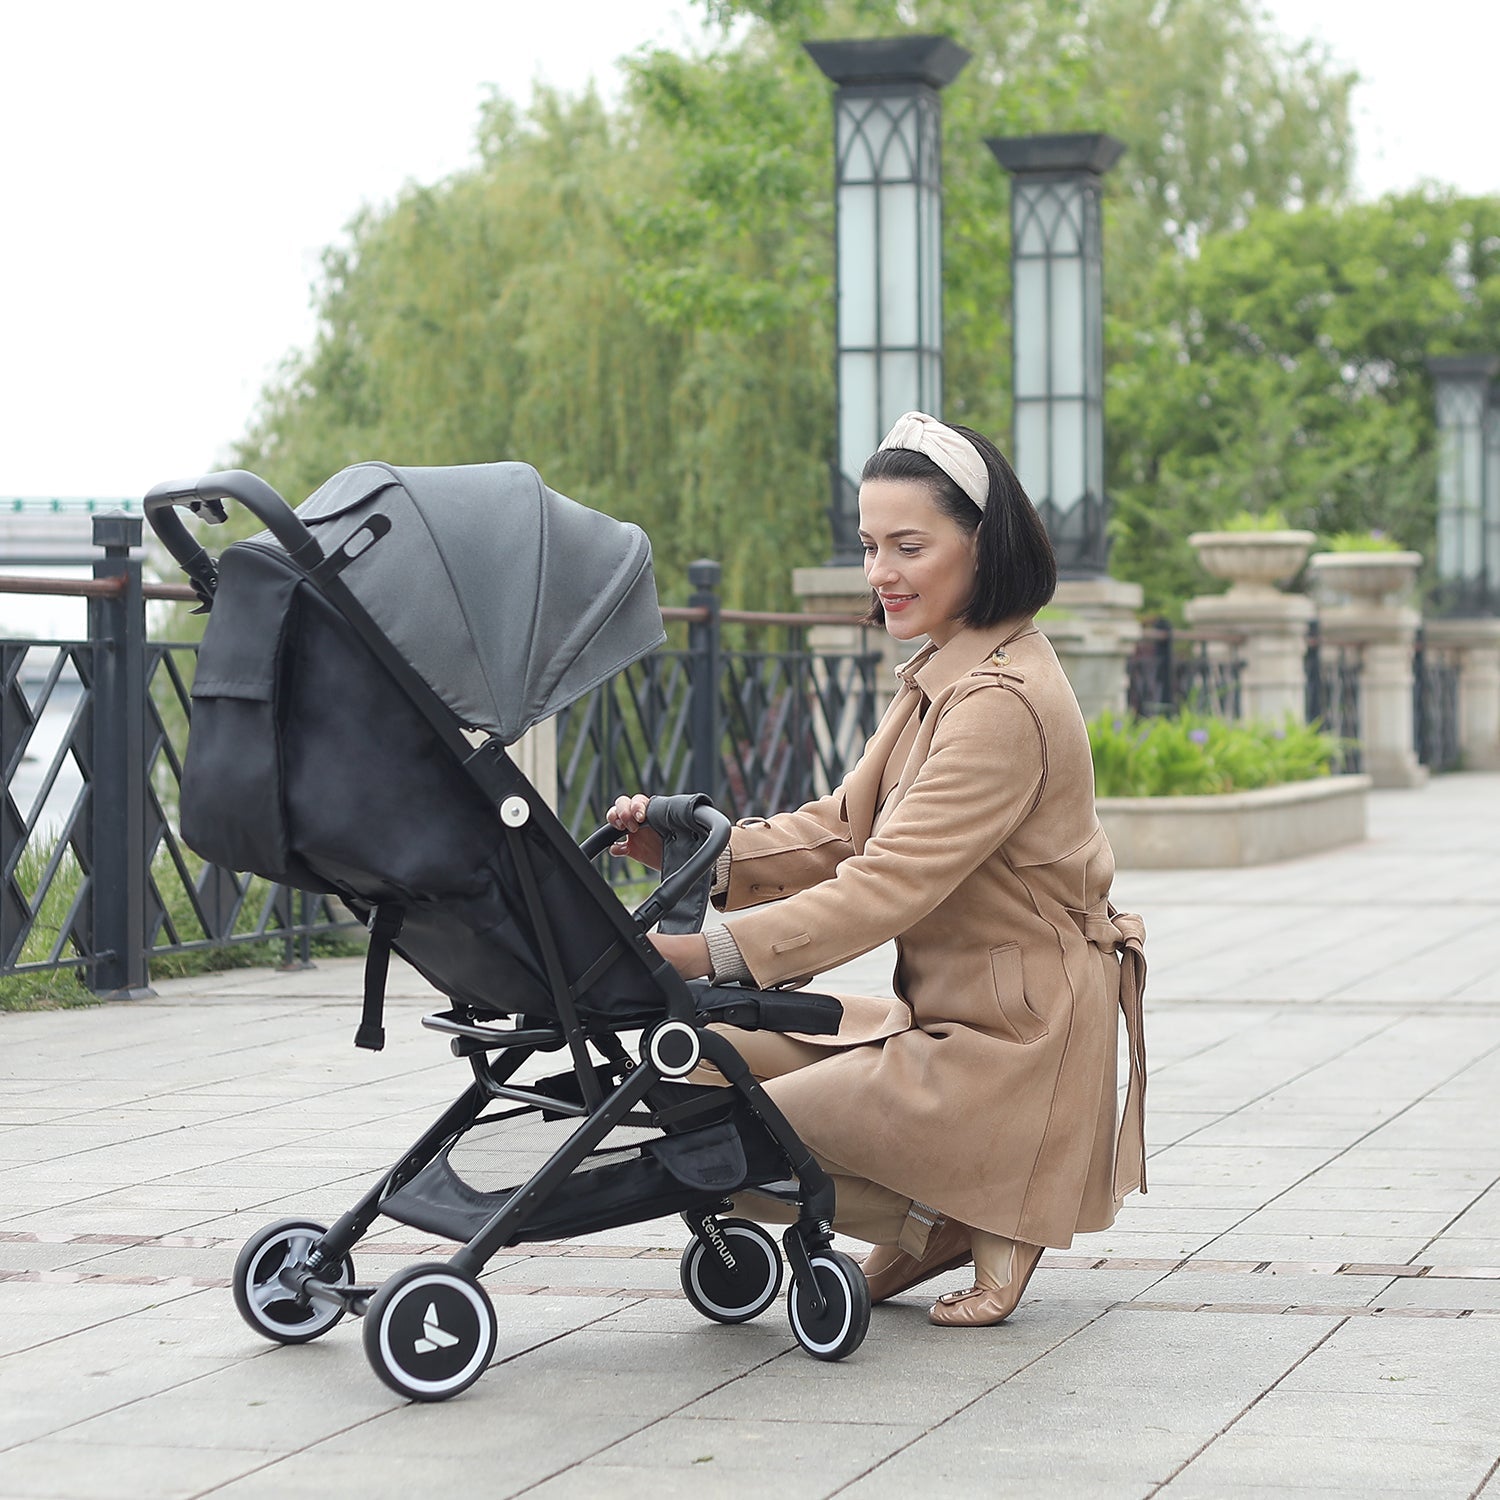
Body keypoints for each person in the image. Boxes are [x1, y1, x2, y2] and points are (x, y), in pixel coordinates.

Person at [608, 411, 1146, 1328]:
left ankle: (972, 1212)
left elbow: (883, 885)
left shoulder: (1001, 701)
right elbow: (841, 828)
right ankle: (937, 1215)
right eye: (868, 546)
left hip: (1013, 1045)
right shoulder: (945, 672)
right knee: (689, 1067)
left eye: (908, 546)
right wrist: (704, 855)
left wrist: (708, 953)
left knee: (734, 1124)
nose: (879, 573)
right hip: (937, 1021)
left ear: (983, 546)